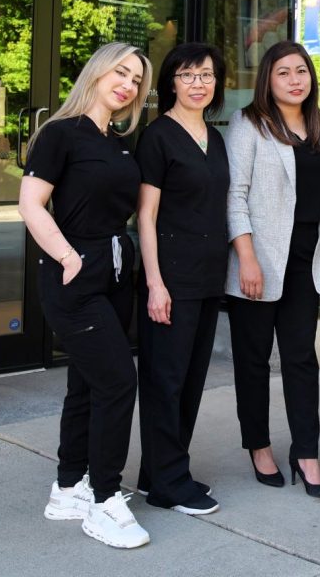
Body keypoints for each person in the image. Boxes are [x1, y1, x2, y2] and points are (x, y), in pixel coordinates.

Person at [19, 42, 152, 548]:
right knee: (119, 382)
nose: (128, 84)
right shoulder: (60, 132)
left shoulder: (116, 140)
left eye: (137, 79)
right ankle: (104, 499)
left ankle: (69, 486)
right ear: (96, 73)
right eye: (121, 72)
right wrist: (69, 256)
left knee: (88, 385)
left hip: (116, 276)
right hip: (75, 276)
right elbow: (31, 204)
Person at [225, 40, 320, 499]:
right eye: (283, 73)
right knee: (253, 363)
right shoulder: (249, 124)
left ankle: (306, 453)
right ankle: (259, 446)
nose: (295, 80)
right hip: (259, 262)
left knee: (300, 360)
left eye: (301, 71)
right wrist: (247, 258)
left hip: (306, 262)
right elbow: (234, 194)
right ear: (268, 81)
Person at [135, 43, 228, 515]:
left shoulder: (216, 136)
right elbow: (145, 216)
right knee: (164, 381)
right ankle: (170, 483)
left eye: (207, 75)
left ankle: (160, 474)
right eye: (188, 75)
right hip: (171, 278)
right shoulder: (158, 137)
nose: (199, 83)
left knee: (190, 381)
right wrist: (154, 282)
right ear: (171, 81)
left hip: (209, 277)